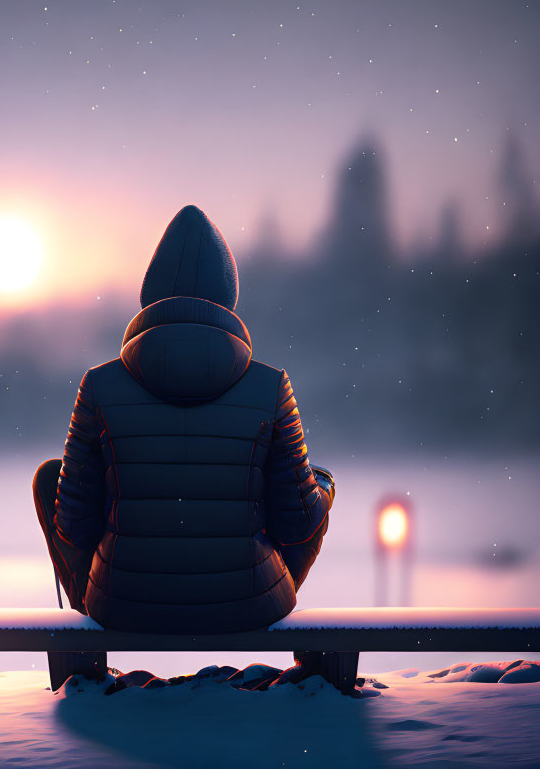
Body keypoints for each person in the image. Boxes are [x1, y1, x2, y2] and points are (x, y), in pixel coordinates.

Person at [33, 205, 334, 633]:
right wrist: (322, 487)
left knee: (53, 480)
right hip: (248, 610)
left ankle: (90, 641)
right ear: (228, 299)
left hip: (121, 607)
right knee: (310, 487)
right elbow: (298, 523)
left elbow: (73, 526)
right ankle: (257, 589)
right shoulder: (270, 387)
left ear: (149, 293)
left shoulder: (99, 385)